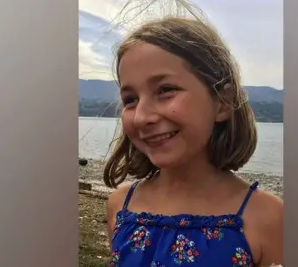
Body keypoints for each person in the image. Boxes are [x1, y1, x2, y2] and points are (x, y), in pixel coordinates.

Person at [103, 16, 283, 267]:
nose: (142, 116)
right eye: (131, 99)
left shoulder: (268, 218)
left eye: (165, 90)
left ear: (222, 102)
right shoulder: (121, 205)